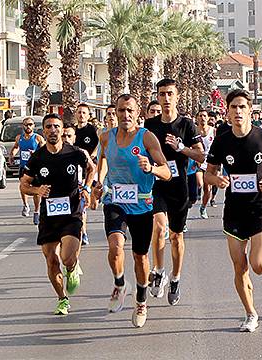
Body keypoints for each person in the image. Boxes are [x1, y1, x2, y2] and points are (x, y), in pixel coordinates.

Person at [204, 89, 262, 332]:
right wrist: (217, 180)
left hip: (260, 208)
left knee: (259, 267)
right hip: (234, 210)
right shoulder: (221, 141)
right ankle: (250, 313)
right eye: (234, 107)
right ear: (227, 112)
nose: (238, 111)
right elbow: (209, 173)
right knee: (239, 267)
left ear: (250, 110)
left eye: (242, 107)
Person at [93, 94, 171, 327]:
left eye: (130, 111)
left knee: (140, 256)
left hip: (141, 205)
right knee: (115, 246)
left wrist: (152, 168)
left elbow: (167, 171)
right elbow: (103, 160)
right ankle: (119, 283)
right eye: (121, 111)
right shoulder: (106, 137)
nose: (125, 115)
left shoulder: (146, 138)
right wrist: (98, 183)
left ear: (138, 114)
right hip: (115, 201)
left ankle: (140, 301)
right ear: (115, 113)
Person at [19, 113, 96, 315]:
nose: (53, 130)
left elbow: (91, 169)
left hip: (72, 213)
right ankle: (62, 299)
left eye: (56, 126)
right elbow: (24, 184)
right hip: (49, 215)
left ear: (62, 130)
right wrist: (37, 191)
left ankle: (72, 267)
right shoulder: (37, 157)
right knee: (52, 259)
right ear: (43, 131)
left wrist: (87, 188)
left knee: (67, 258)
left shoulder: (76, 153)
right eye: (48, 127)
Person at [144, 79, 205, 305]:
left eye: (170, 93)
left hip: (179, 187)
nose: (166, 98)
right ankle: (159, 270)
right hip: (157, 184)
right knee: (159, 228)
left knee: (177, 237)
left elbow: (201, 156)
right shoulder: (150, 126)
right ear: (158, 97)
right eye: (162, 94)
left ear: (177, 96)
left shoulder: (187, 125)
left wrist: (181, 148)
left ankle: (176, 278)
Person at [10, 117, 46, 224]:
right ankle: (25, 205)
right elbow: (16, 147)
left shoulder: (38, 138)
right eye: (26, 124)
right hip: (24, 167)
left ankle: (36, 211)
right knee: (22, 187)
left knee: (36, 191)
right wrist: (12, 154)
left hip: (35, 168)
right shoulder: (19, 138)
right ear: (23, 126)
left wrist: (35, 155)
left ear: (34, 126)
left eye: (30, 124)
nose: (28, 126)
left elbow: (45, 151)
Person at [73, 104, 100, 245]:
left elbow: (100, 142)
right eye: (79, 112)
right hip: (75, 170)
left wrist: (92, 155)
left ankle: (95, 194)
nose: (81, 115)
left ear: (88, 115)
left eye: (84, 112)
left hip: (90, 168)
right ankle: (83, 232)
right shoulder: (72, 131)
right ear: (76, 114)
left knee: (90, 203)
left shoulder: (92, 130)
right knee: (81, 204)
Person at [195, 109, 216, 219]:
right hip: (198, 161)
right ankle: (197, 192)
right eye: (200, 116)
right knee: (200, 183)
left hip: (210, 163)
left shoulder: (213, 131)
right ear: (197, 118)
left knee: (208, 189)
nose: (202, 118)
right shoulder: (194, 131)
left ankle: (203, 207)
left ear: (208, 118)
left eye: (204, 116)